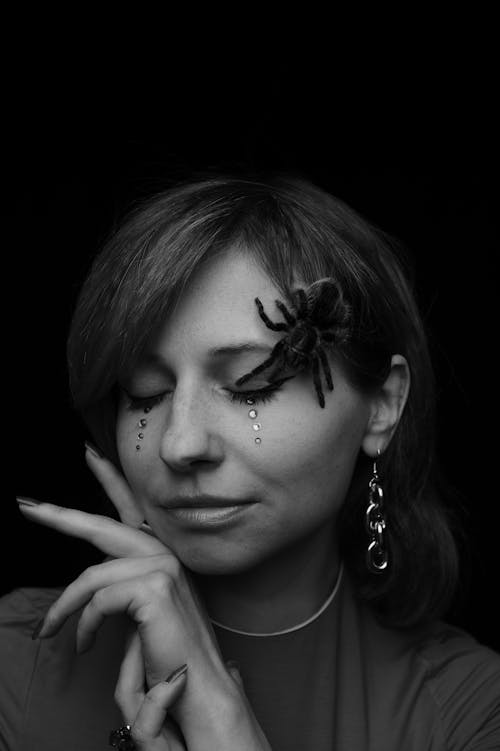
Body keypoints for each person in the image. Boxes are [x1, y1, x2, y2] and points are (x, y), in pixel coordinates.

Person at [3, 170, 499, 751]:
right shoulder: (19, 661)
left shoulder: (469, 709)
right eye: (143, 393)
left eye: (250, 387)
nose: (179, 443)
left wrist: (221, 724)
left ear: (382, 406)